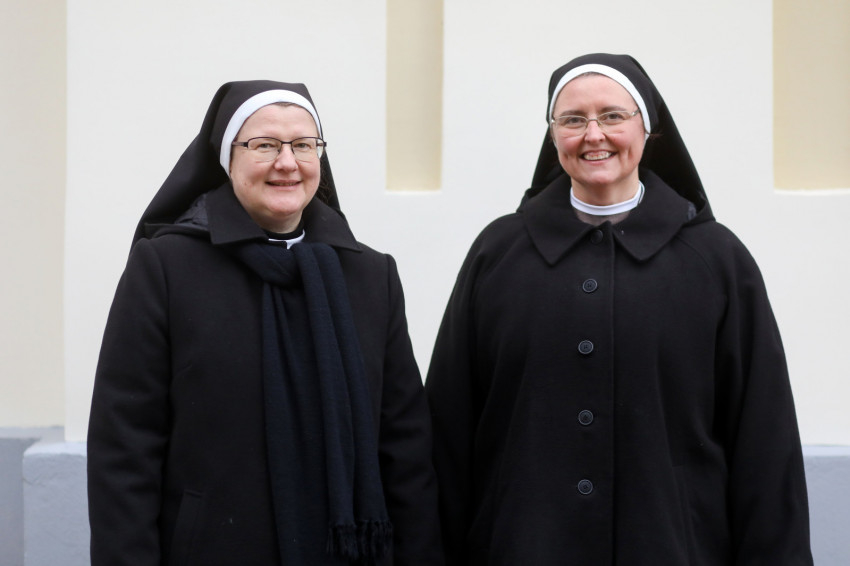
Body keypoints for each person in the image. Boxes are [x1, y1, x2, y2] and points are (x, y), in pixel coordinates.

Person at [425, 53, 813, 565]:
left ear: (648, 128)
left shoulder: (717, 261)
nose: (593, 135)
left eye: (612, 116)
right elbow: (448, 432)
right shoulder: (497, 255)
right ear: (553, 134)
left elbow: (764, 439)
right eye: (572, 119)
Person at [87, 80, 443, 566]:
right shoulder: (166, 269)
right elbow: (125, 447)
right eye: (265, 145)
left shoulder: (369, 277)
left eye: (303, 145)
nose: (287, 163)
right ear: (226, 158)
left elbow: (405, 447)